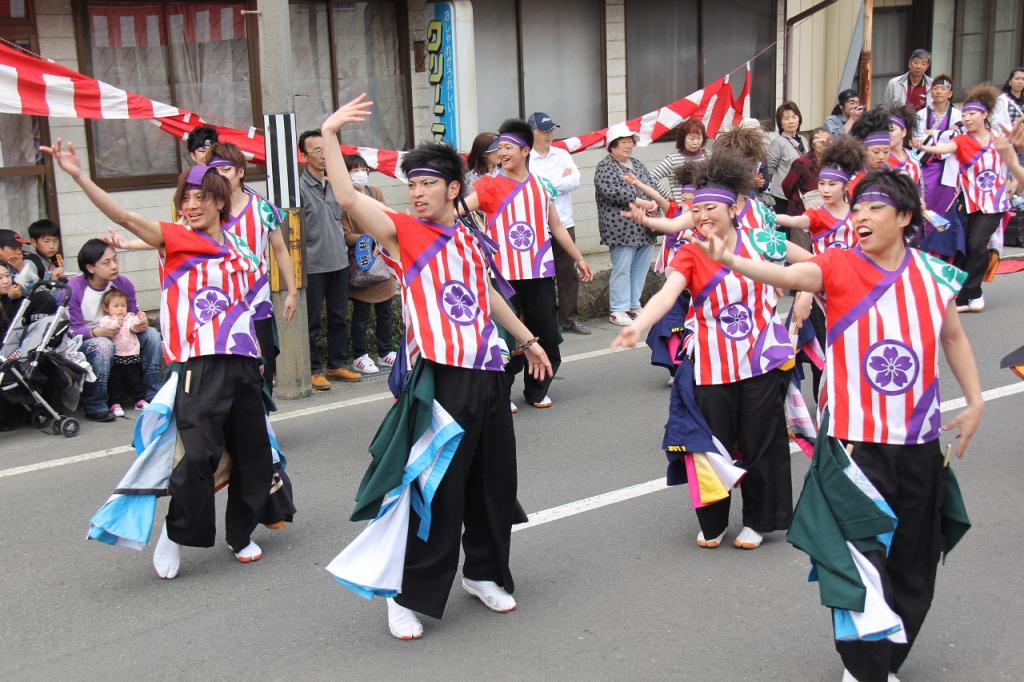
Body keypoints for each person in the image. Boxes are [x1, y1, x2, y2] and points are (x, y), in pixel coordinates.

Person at [697, 167, 983, 682]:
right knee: (859, 560)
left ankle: (887, 655)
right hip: (854, 446)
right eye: (855, 209)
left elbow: (954, 338)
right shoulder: (839, 266)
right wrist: (734, 260)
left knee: (914, 566)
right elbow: (786, 276)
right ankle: (866, 667)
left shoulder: (936, 275)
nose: (860, 217)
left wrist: (977, 399)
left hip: (918, 444)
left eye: (873, 208)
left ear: (905, 217)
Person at [319, 94, 554, 640]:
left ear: (453, 188)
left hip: (489, 374)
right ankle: (405, 594)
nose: (417, 192)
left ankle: (485, 574)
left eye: (427, 183)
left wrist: (526, 339)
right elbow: (348, 195)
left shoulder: (469, 237)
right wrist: (331, 135)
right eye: (412, 184)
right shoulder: (404, 232)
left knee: (493, 485)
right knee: (434, 491)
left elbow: (488, 295)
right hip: (440, 378)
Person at [44, 139, 277, 576]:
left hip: (243, 362)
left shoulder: (244, 249)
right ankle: (176, 533)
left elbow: (246, 305)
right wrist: (78, 175)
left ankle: (241, 533)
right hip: (198, 363)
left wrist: (260, 355)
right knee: (198, 457)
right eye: (184, 198)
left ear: (220, 200)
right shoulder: (176, 239)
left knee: (254, 455)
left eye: (200, 197)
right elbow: (123, 216)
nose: (190, 206)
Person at [614, 147, 808, 550]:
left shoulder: (764, 242)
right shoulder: (691, 252)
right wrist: (640, 324)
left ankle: (757, 520)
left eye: (710, 208)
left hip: (760, 364)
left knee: (762, 443)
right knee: (709, 446)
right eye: (696, 209)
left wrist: (805, 294)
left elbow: (814, 266)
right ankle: (714, 520)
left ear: (736, 206)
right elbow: (667, 296)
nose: (701, 217)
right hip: (711, 367)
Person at [462, 118, 593, 410]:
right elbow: (459, 212)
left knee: (545, 333)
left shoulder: (541, 186)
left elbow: (557, 227)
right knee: (504, 337)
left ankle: (537, 389)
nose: (502, 152)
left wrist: (579, 258)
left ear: (525, 151)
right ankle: (501, 392)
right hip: (502, 275)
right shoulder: (488, 186)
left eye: (509, 147)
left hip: (539, 272)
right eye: (499, 148)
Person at [203, 143, 297, 392]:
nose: (221, 175)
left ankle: (261, 422)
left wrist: (292, 292)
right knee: (226, 368)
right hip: (219, 300)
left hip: (257, 297)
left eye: (226, 169)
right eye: (215, 170)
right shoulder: (206, 210)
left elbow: (280, 250)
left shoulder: (262, 207)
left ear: (241, 172)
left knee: (263, 361)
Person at [913, 84, 1010, 313]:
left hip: (995, 203)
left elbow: (1011, 160)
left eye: (971, 114)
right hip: (969, 202)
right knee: (966, 246)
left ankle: (973, 293)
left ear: (984, 114)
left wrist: (1014, 181)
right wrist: (923, 146)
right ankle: (966, 294)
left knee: (978, 243)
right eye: (964, 114)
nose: (966, 118)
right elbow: (944, 148)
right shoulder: (963, 140)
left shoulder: (998, 138)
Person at [67, 239, 162, 422]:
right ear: (90, 267)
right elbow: (71, 330)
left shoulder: (123, 283)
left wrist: (140, 322)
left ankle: (153, 393)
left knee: (152, 335)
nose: (114, 266)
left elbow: (133, 312)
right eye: (107, 262)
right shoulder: (74, 289)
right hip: (90, 339)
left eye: (115, 260)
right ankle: (96, 403)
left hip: (124, 333)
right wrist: (96, 332)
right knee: (103, 345)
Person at [298, 129, 362, 390]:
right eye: (317, 150)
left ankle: (337, 364)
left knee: (338, 317)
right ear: (304, 156)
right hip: (312, 264)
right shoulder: (299, 188)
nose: (324, 155)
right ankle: (313, 369)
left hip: (339, 261)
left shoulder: (336, 183)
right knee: (312, 321)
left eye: (327, 149)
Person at [527, 111, 589, 336]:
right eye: (544, 131)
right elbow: (532, 188)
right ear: (531, 132)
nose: (549, 135)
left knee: (568, 272)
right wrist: (558, 182)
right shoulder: (526, 158)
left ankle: (569, 318)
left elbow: (576, 180)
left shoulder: (561, 154)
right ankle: (544, 321)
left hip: (564, 221)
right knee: (540, 276)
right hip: (536, 225)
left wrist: (549, 185)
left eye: (551, 130)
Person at [341, 153, 399, 374]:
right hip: (362, 263)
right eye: (355, 170)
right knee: (362, 313)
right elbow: (345, 234)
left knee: (385, 310)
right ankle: (360, 355)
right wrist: (367, 240)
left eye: (363, 169)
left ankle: (386, 351)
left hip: (382, 261)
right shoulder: (345, 200)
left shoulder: (376, 193)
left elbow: (389, 219)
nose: (361, 174)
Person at [595, 123, 657, 326]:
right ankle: (618, 309)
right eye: (623, 142)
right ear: (612, 146)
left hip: (645, 225)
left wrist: (655, 202)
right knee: (622, 267)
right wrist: (643, 202)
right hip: (620, 226)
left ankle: (633, 304)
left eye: (631, 142)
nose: (628, 146)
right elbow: (613, 192)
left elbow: (651, 185)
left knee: (640, 267)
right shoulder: (605, 166)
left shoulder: (638, 164)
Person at [915, 76, 963, 224]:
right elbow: (918, 139)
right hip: (925, 165)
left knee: (945, 203)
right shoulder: (921, 114)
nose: (938, 92)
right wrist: (945, 135)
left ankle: (941, 242)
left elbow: (958, 138)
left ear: (950, 94)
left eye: (943, 89)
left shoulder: (958, 115)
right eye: (935, 88)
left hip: (948, 165)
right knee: (925, 200)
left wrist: (934, 134)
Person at [97, 287, 148, 418]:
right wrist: (116, 323)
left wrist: (140, 319)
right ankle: (115, 403)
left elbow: (135, 327)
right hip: (116, 356)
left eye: (123, 306)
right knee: (116, 381)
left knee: (136, 378)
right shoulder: (106, 320)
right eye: (116, 306)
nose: (120, 309)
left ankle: (139, 400)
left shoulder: (129, 317)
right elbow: (108, 329)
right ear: (106, 308)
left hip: (132, 354)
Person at [650, 119, 710, 203]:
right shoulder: (672, 159)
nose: (696, 142)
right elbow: (651, 178)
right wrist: (669, 197)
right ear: (683, 138)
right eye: (691, 139)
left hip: (705, 207)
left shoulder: (708, 156)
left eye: (699, 138)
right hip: (682, 209)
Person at [767, 101, 809, 218]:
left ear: (799, 119)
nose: (791, 121)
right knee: (785, 231)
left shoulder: (804, 140)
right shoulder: (778, 142)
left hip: (801, 194)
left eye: (794, 117)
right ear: (780, 123)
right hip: (782, 196)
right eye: (786, 118)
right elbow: (769, 169)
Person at [782, 127, 832, 215]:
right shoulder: (801, 162)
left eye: (828, 140)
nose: (825, 143)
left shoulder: (833, 162)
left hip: (826, 210)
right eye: (820, 141)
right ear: (812, 144)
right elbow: (787, 186)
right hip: (801, 209)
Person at [886, 104, 923, 197]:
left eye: (891, 130)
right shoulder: (881, 159)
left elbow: (919, 189)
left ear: (904, 132)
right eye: (884, 130)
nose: (887, 134)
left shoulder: (914, 157)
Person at [993, 67, 1024, 165]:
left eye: (1023, 79)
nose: (1020, 82)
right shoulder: (1001, 100)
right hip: (1007, 146)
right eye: (1017, 79)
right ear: (1010, 82)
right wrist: (1013, 133)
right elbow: (996, 122)